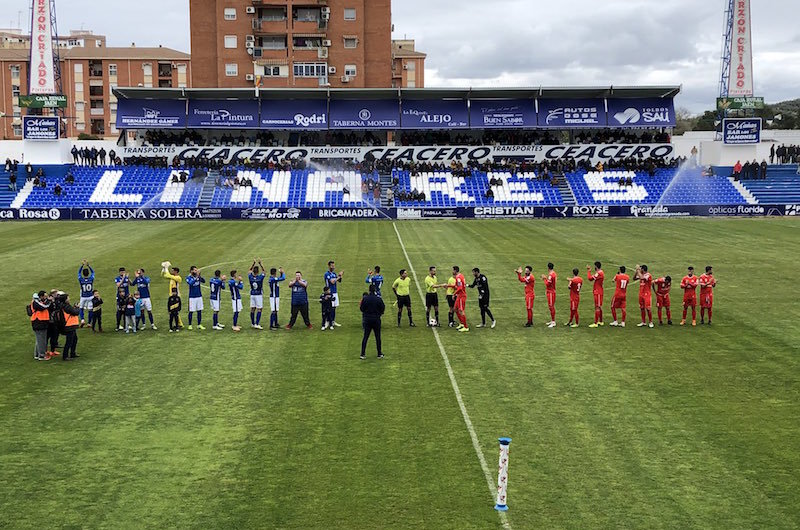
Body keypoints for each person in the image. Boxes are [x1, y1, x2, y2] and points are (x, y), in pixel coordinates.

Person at [360, 285, 386, 360]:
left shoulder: (365, 299)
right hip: (376, 319)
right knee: (377, 337)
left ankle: (362, 353)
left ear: (369, 290)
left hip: (367, 319)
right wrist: (379, 314)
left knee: (365, 336)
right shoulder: (378, 299)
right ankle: (379, 353)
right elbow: (382, 308)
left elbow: (362, 308)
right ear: (375, 290)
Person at [160, 262, 183, 328]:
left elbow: (168, 275)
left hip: (177, 296)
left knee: (176, 311)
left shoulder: (178, 278)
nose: (171, 271)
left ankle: (179, 324)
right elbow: (164, 275)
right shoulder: (173, 277)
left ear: (176, 271)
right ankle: (179, 323)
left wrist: (166, 268)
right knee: (173, 310)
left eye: (172, 270)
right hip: (171, 295)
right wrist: (164, 269)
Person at [30, 291, 51, 361]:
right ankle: (41, 356)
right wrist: (49, 301)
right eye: (45, 296)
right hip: (39, 323)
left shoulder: (37, 302)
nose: (45, 297)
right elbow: (44, 307)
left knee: (39, 340)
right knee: (41, 340)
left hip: (41, 322)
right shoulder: (35, 302)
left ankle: (37, 354)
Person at [60, 293, 81, 360]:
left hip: (69, 325)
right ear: (65, 300)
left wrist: (74, 308)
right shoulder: (66, 306)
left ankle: (72, 353)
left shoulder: (63, 306)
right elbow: (75, 312)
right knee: (69, 341)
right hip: (69, 326)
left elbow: (72, 311)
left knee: (74, 339)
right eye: (68, 298)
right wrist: (77, 307)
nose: (69, 299)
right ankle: (65, 356)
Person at [323, 261, 343, 327]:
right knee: (328, 308)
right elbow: (332, 282)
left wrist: (340, 276)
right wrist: (338, 277)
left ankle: (333, 321)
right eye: (332, 266)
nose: (333, 267)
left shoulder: (334, 274)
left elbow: (339, 281)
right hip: (329, 293)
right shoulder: (327, 274)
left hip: (335, 293)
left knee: (334, 308)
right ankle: (327, 321)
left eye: (334, 265)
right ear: (329, 266)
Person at [186, 266, 206, 330]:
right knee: (191, 311)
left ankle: (199, 324)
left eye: (196, 270)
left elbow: (204, 281)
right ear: (191, 271)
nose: (196, 271)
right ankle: (190, 324)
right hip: (192, 297)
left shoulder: (198, 277)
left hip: (199, 296)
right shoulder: (188, 277)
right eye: (195, 270)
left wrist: (199, 276)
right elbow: (190, 283)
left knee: (199, 311)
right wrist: (196, 277)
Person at [248, 258, 266, 329]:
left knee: (252, 309)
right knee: (259, 309)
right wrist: (260, 264)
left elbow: (249, 271)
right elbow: (264, 271)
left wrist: (253, 263)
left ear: (253, 271)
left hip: (252, 294)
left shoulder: (250, 277)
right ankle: (257, 324)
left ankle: (252, 323)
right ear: (258, 271)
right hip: (258, 294)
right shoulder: (260, 277)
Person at [587, 261, 605, 328]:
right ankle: (600, 321)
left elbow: (590, 279)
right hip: (599, 291)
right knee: (599, 306)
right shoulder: (600, 272)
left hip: (598, 292)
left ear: (596, 266)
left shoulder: (599, 273)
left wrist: (589, 271)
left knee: (597, 307)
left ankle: (596, 323)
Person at [451, 266, 469, 332]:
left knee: (461, 311)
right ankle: (461, 323)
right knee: (455, 309)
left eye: (453, 270)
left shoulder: (458, 277)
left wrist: (454, 294)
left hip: (462, 296)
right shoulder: (460, 275)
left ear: (455, 271)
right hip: (459, 295)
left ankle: (466, 327)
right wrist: (449, 285)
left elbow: (460, 288)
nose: (452, 271)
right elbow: (457, 286)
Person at [77, 259, 95, 327]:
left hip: (83, 296)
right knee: (90, 309)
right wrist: (88, 265)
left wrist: (82, 265)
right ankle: (89, 323)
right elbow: (93, 272)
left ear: (83, 274)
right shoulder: (91, 279)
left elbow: (78, 273)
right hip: (90, 296)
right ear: (88, 273)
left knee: (81, 308)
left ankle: (82, 320)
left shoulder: (81, 279)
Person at [541, 263, 557, 328]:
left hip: (551, 292)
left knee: (551, 306)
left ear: (548, 267)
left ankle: (553, 322)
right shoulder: (554, 273)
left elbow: (547, 284)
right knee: (550, 306)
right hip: (550, 291)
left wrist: (544, 279)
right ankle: (552, 320)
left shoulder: (551, 275)